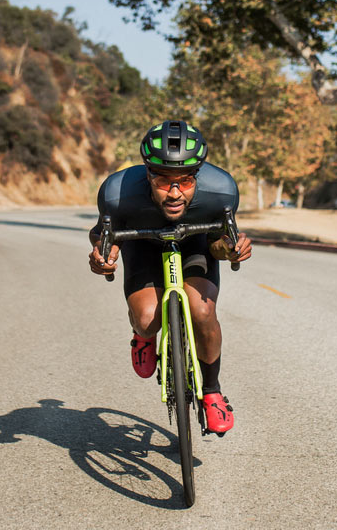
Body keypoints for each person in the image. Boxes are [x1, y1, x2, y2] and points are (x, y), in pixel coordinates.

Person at [88, 120, 252, 435]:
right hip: (142, 244)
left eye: (186, 181)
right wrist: (102, 256)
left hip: (195, 244)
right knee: (148, 318)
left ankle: (213, 391)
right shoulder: (116, 192)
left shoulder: (222, 191)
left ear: (199, 175)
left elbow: (218, 246)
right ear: (148, 174)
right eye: (164, 182)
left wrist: (230, 249)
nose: (175, 193)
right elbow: (103, 236)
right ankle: (143, 336)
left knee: (202, 311)